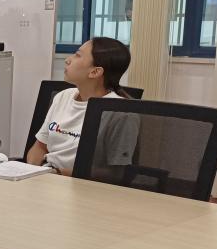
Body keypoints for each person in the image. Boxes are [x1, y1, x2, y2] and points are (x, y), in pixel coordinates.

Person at [26, 37, 136, 176]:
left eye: (77, 55)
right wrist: (31, 172)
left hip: (80, 184)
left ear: (95, 72)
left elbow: (115, 174)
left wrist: (57, 173)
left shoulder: (120, 113)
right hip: (47, 176)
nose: (68, 60)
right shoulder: (62, 96)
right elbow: (40, 146)